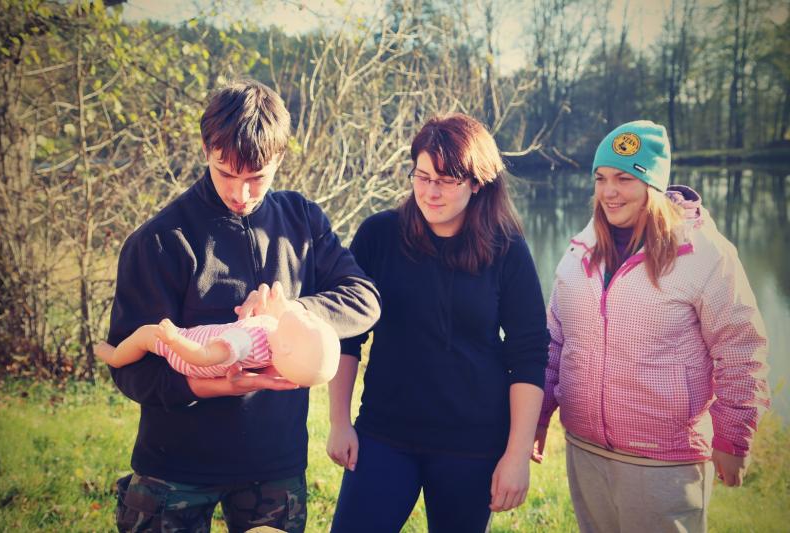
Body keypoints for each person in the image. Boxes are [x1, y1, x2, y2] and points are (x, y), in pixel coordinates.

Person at [106, 79, 380, 533]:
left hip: (274, 467)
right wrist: (203, 385)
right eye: (226, 173)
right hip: (173, 468)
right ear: (206, 149)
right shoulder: (159, 240)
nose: (241, 193)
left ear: (280, 158)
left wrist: (290, 313)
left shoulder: (303, 221)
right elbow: (128, 369)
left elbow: (363, 298)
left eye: (257, 177)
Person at [534, 120, 771, 533]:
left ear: (653, 185)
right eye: (601, 178)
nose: (609, 191)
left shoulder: (703, 254)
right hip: (585, 451)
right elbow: (554, 342)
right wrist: (537, 417)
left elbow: (740, 348)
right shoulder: (580, 251)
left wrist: (734, 437)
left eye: (624, 179)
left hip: (665, 463)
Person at [327, 113, 551, 532]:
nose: (430, 192)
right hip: (384, 434)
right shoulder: (378, 235)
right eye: (422, 176)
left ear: (477, 183)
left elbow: (529, 354)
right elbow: (347, 335)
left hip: (473, 446)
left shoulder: (507, 249)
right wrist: (339, 421)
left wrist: (516, 455)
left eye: (446, 181)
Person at [95, 281, 341, 387]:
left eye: (310, 322)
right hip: (201, 345)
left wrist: (173, 339)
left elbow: (204, 356)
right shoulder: (272, 338)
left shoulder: (245, 342)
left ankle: (115, 356)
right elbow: (260, 323)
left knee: (146, 335)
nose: (311, 315)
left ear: (287, 346)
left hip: (188, 353)